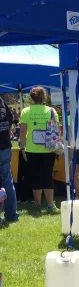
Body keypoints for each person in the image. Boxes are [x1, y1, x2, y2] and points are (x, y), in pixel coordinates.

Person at [19, 86, 58, 213]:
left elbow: (23, 131)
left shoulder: (25, 111)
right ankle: (50, 205)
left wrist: (22, 147)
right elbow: (56, 129)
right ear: (44, 97)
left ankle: (37, 204)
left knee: (35, 176)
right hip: (49, 148)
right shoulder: (52, 111)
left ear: (31, 98)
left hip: (32, 149)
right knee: (47, 175)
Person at [0, 94, 17, 223]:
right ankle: (11, 215)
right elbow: (10, 118)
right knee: (7, 181)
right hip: (5, 145)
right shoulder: (2, 102)